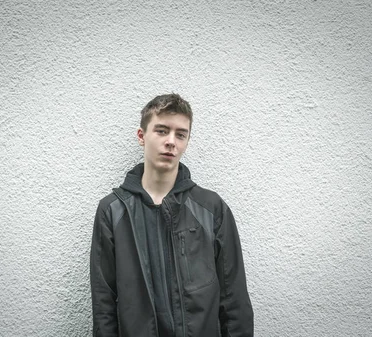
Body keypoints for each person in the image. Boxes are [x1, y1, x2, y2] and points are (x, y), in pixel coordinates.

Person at [90, 93, 253, 336]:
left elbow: (234, 299)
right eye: (162, 131)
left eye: (180, 134)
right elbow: (104, 305)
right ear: (141, 136)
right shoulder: (112, 211)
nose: (171, 141)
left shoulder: (212, 208)